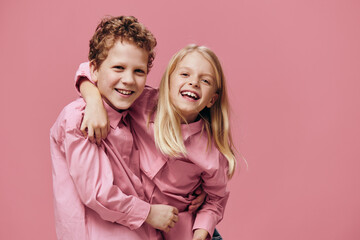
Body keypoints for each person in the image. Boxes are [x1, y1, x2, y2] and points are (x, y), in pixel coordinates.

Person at [76, 45, 236, 240]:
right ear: (168, 82)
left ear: (212, 100)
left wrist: (200, 234)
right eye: (185, 74)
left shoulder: (212, 150)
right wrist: (93, 100)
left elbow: (216, 199)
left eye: (205, 80)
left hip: (187, 232)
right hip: (143, 225)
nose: (194, 82)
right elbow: (91, 71)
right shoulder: (142, 103)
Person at [50, 16, 186, 240]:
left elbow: (184, 106)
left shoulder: (135, 108)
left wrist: (199, 186)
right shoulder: (79, 119)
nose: (129, 80)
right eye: (119, 68)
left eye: (139, 71)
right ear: (94, 70)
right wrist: (148, 213)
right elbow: (97, 193)